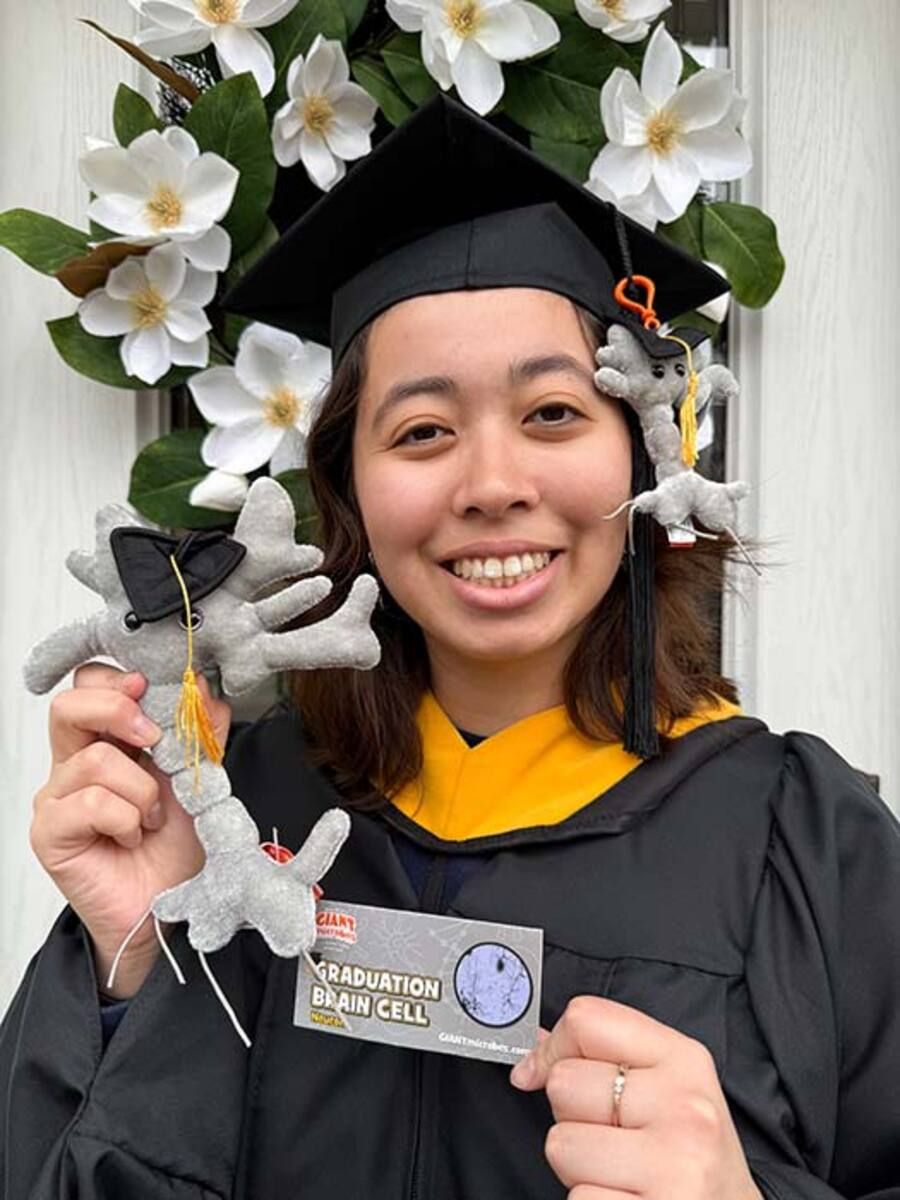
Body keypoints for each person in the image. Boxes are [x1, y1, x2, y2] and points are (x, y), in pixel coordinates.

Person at [3, 95, 900, 1200]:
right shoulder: (236, 822)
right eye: (422, 431)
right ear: (349, 489)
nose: (491, 485)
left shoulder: (800, 845)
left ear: (642, 455)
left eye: (554, 413)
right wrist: (136, 958)